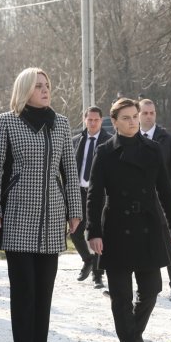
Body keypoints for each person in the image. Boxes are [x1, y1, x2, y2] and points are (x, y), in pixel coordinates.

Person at [0, 68, 82, 342]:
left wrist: (75, 210)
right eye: (38, 86)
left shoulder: (61, 123)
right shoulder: (7, 122)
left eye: (47, 85)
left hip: (52, 215)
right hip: (17, 214)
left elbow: (70, 171)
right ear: (25, 89)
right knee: (23, 286)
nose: (45, 90)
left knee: (45, 286)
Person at [86, 98, 171, 342]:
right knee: (121, 296)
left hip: (149, 225)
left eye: (135, 116)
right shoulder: (105, 152)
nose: (132, 121)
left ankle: (135, 334)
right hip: (117, 227)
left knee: (152, 288)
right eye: (126, 117)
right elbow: (94, 195)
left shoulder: (153, 149)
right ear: (114, 121)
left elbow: (165, 190)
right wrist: (93, 232)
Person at [139, 99, 171, 301]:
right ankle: (145, 287)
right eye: (145, 113)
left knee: (170, 244)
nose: (149, 116)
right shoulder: (131, 138)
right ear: (138, 115)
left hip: (164, 201)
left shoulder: (167, 140)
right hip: (139, 202)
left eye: (152, 113)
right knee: (140, 245)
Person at [71, 106, 112, 289]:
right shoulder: (76, 140)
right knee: (75, 232)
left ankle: (98, 275)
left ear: (101, 121)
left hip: (99, 194)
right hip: (78, 192)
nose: (93, 123)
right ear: (84, 120)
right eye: (90, 120)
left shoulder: (109, 141)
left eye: (96, 120)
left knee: (97, 234)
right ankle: (88, 260)